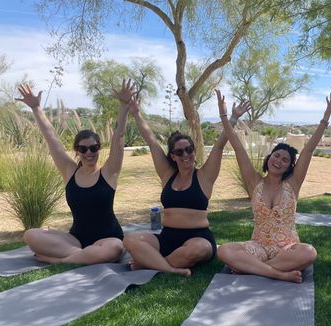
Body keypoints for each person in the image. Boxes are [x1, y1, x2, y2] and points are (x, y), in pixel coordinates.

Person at [215, 89, 331, 283]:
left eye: (285, 160)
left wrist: (326, 116)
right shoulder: (254, 182)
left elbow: (309, 149)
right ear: (269, 157)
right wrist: (227, 116)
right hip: (258, 248)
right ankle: (277, 273)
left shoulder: (293, 183)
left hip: (287, 250)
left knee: (309, 252)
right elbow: (238, 146)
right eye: (276, 155)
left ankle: (250, 269)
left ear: (290, 166)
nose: (279, 161)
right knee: (224, 250)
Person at [122, 94, 248, 277]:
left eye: (189, 149)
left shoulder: (204, 176)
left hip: (197, 237)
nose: (186, 155)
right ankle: (170, 268)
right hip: (167, 237)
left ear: (194, 151)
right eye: (179, 152)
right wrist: (136, 113)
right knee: (130, 240)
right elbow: (151, 141)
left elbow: (219, 146)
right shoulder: (167, 175)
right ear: (173, 156)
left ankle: (148, 264)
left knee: (198, 249)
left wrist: (232, 117)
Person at [17, 80, 134, 264]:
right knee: (31, 235)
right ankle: (82, 256)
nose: (89, 153)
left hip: (107, 239)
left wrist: (124, 106)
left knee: (115, 249)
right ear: (77, 151)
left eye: (94, 148)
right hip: (75, 240)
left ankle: (59, 260)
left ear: (99, 149)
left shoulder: (109, 172)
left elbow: (118, 136)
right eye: (83, 149)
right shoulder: (70, 171)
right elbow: (51, 138)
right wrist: (36, 108)